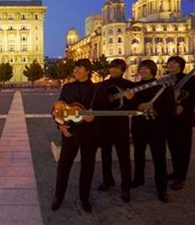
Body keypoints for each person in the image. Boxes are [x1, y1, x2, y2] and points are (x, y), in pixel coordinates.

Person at [51, 59, 98, 213]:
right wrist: (61, 125)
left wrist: (95, 117)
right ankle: (58, 196)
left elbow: (104, 112)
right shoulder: (67, 87)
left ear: (88, 70)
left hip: (90, 134)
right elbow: (58, 109)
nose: (75, 71)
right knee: (63, 166)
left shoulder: (96, 89)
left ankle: (84, 198)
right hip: (69, 132)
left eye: (79, 68)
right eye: (75, 69)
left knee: (87, 167)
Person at [130, 60, 175, 202]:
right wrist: (137, 104)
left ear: (152, 70)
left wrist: (155, 110)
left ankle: (161, 188)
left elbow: (170, 107)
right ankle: (138, 179)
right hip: (139, 126)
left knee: (159, 157)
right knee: (138, 153)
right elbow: (129, 105)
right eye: (141, 68)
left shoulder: (163, 86)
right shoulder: (135, 87)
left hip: (157, 127)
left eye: (145, 68)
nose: (142, 71)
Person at [95, 59, 135, 203]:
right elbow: (96, 104)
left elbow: (134, 105)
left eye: (117, 68)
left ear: (123, 70)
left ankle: (125, 186)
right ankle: (107, 180)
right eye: (112, 67)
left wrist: (130, 99)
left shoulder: (129, 86)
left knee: (123, 156)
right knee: (105, 154)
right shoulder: (102, 85)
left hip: (121, 125)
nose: (113, 70)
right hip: (104, 125)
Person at [166, 55, 195, 191]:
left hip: (184, 120)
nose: (170, 64)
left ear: (180, 65)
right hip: (169, 119)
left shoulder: (192, 79)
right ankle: (176, 172)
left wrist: (184, 106)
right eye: (169, 62)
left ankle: (181, 177)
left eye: (174, 63)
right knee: (173, 148)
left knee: (183, 148)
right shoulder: (165, 80)